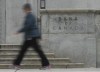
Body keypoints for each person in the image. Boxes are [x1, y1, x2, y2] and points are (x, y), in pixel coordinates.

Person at [12, 3, 50, 70]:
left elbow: (28, 26)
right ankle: (16, 64)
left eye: (24, 9)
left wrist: (19, 31)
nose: (23, 11)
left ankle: (46, 64)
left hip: (31, 37)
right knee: (29, 51)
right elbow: (33, 26)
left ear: (27, 9)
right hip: (31, 37)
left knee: (26, 51)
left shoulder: (29, 16)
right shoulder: (31, 16)